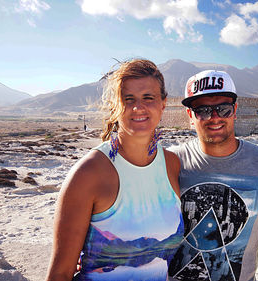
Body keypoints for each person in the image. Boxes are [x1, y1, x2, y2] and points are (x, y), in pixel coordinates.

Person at [46, 59, 184, 281]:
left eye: (148, 98)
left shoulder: (172, 164)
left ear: (163, 104)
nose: (138, 107)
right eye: (128, 99)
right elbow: (60, 274)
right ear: (115, 106)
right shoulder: (89, 173)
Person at [167, 70, 258, 281]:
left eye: (223, 109)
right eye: (203, 111)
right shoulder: (170, 163)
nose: (214, 117)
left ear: (235, 110)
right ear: (190, 116)